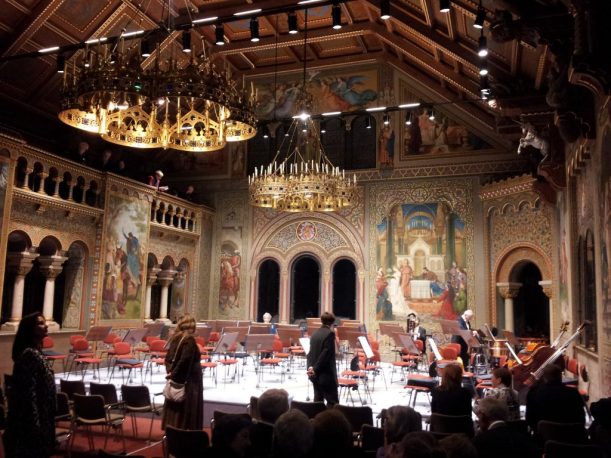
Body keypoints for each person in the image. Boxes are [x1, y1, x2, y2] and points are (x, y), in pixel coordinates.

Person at [4, 312, 56, 458]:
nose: (45, 326)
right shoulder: (29, 355)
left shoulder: (35, 352)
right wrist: (35, 426)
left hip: (42, 417)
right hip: (32, 423)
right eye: (40, 323)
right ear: (29, 329)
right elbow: (28, 394)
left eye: (45, 322)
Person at [162, 315, 203, 430]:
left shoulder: (175, 338)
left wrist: (170, 372)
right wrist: (175, 374)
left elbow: (168, 358)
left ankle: (171, 430)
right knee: (185, 408)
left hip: (176, 376)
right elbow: (185, 360)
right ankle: (185, 431)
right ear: (192, 327)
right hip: (189, 380)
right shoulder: (189, 340)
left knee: (173, 405)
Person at [525, 364, 585, 432]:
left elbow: (529, 421)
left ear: (544, 378)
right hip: (570, 437)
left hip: (542, 439)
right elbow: (581, 420)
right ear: (561, 377)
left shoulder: (533, 393)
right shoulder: (573, 394)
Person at [474, 397, 538, 458]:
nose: (478, 421)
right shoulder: (524, 439)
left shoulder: (478, 443)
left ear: (483, 416)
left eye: (478, 417)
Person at [307, 311, 339, 406]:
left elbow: (310, 353)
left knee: (317, 402)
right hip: (326, 375)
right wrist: (315, 369)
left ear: (322, 321)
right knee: (332, 403)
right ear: (332, 322)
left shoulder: (314, 334)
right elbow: (325, 355)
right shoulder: (330, 334)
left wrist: (311, 368)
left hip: (315, 375)